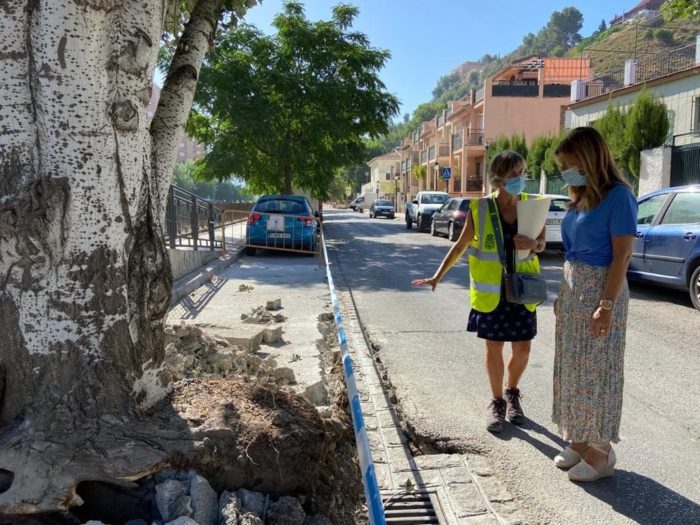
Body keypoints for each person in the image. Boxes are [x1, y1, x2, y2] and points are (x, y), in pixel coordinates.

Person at [412, 150, 546, 433]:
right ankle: (497, 401)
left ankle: (513, 392)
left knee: (523, 349)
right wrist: (438, 276)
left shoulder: (533, 206)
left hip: (522, 289)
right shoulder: (480, 209)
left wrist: (534, 244)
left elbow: (543, 244)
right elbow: (460, 246)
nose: (521, 179)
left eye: (523, 172)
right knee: (494, 347)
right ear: (499, 179)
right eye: (514, 175)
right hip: (491, 293)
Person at [551, 127, 637, 482]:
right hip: (574, 293)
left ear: (589, 159)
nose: (566, 170)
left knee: (597, 373)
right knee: (573, 369)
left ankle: (601, 452)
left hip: (602, 291)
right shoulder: (581, 197)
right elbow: (571, 253)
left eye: (570, 163)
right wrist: (562, 295)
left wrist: (606, 305)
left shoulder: (619, 197)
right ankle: (580, 439)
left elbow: (622, 256)